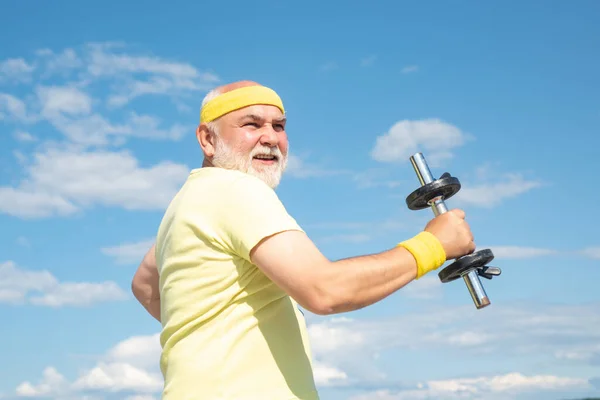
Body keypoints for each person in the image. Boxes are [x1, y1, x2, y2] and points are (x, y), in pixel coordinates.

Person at [131, 80, 476, 400]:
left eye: (278, 126)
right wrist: (434, 245)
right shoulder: (234, 188)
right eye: (252, 124)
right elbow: (325, 291)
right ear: (207, 139)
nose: (270, 138)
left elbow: (144, 285)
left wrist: (207, 335)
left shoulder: (186, 203)